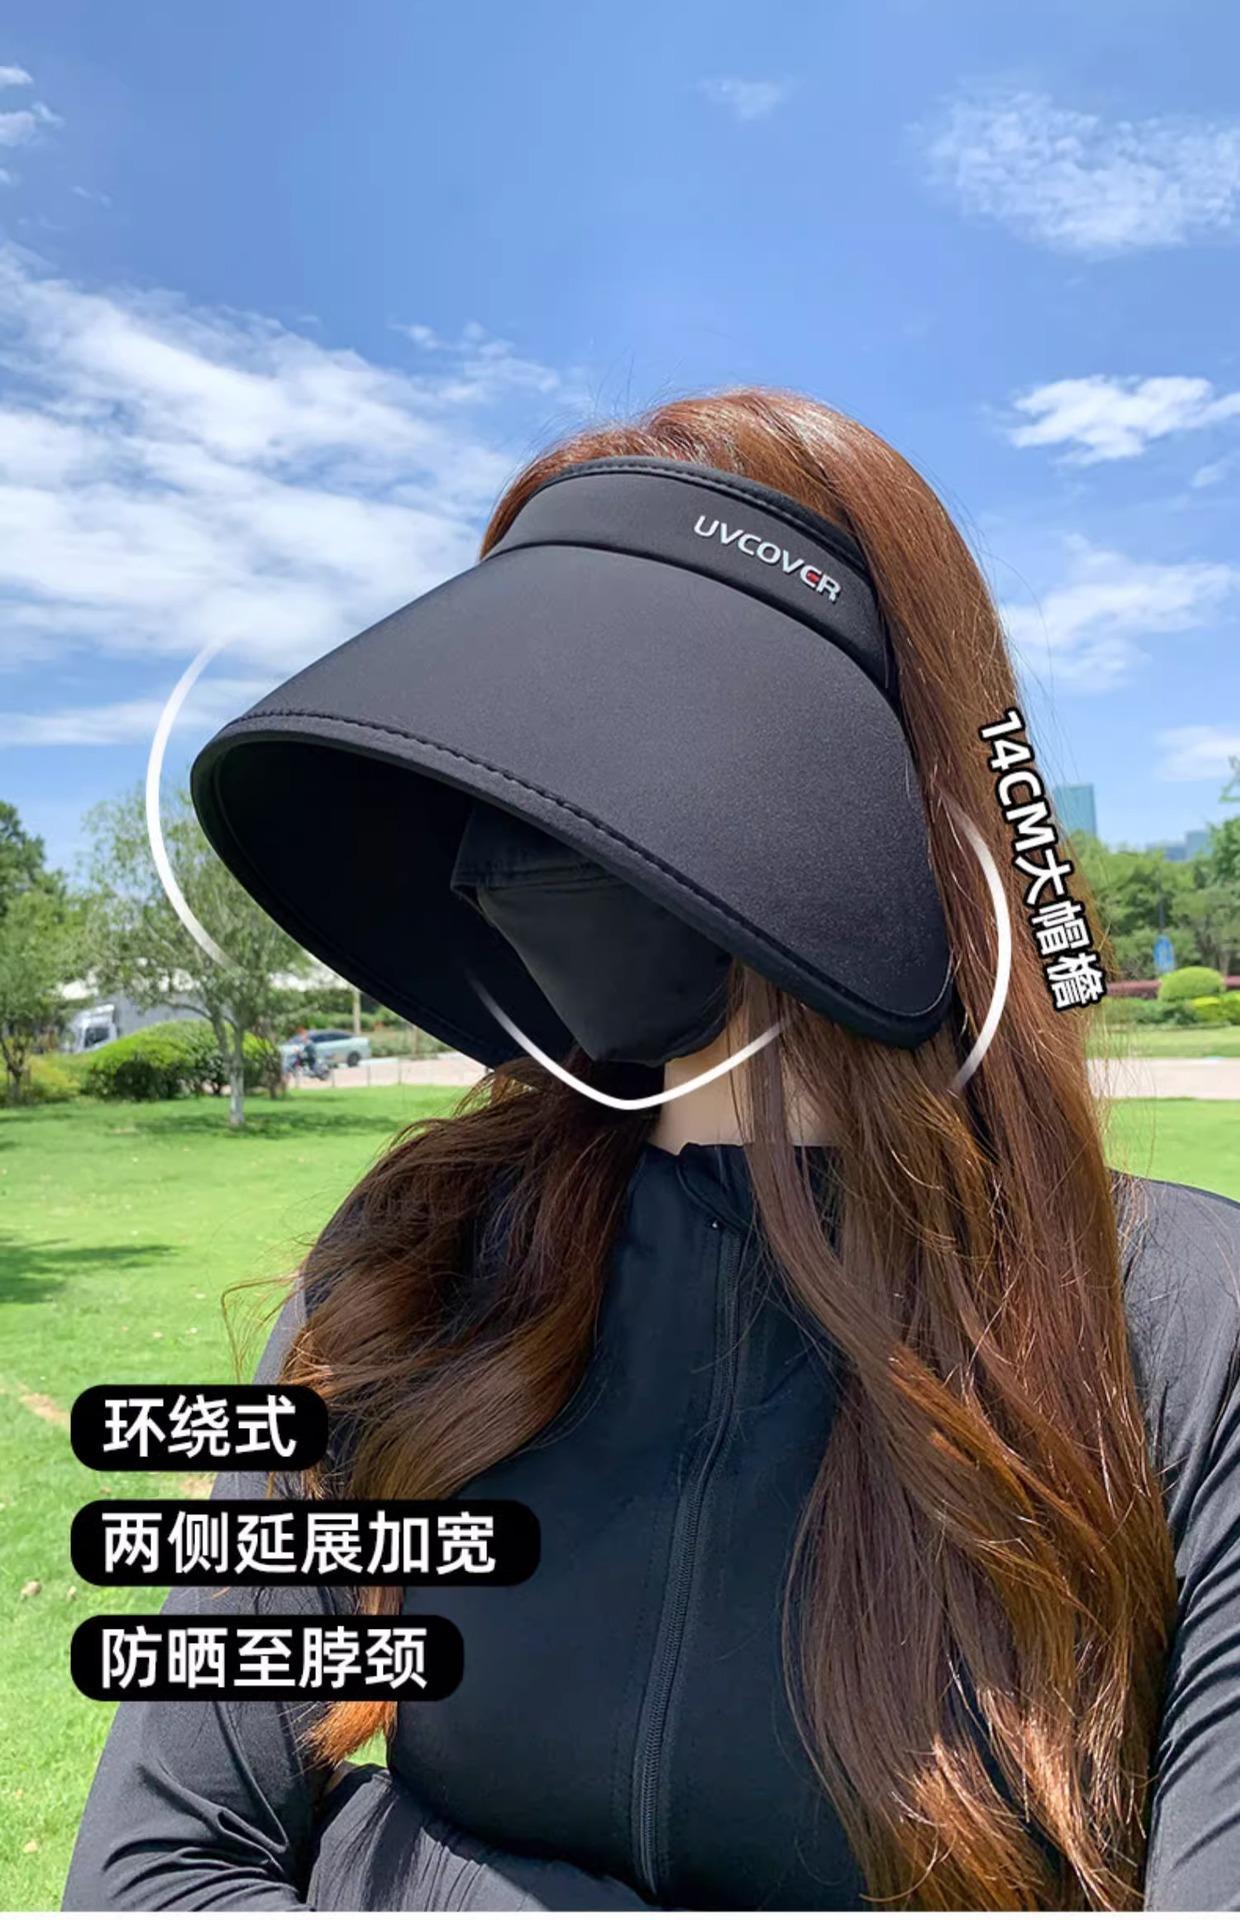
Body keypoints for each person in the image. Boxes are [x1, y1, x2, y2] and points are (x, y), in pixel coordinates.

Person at [65, 389, 1240, 1911]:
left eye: (598, 750)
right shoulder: (409, 1267)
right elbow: (160, 1864)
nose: (496, 857)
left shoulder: (1177, 1328)